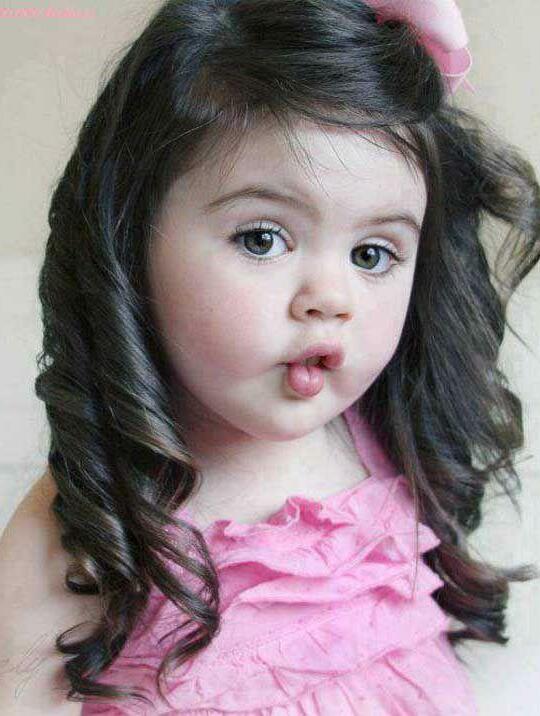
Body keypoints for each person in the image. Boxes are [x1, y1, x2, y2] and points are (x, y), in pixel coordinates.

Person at [1, 0, 538, 713]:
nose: (331, 298)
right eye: (262, 239)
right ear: (128, 241)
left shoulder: (384, 436)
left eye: (373, 254)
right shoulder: (89, 528)